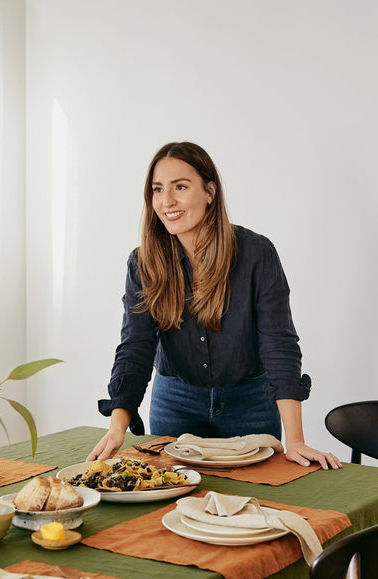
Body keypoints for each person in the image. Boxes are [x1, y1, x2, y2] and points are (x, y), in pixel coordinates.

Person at [87, 142, 341, 470]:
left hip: (250, 402)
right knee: (173, 501)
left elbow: (279, 346)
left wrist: (295, 440)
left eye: (181, 187)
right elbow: (135, 348)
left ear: (209, 191)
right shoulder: (143, 263)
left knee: (258, 505)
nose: (167, 202)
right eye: (157, 189)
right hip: (174, 402)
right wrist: (117, 427)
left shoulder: (256, 254)